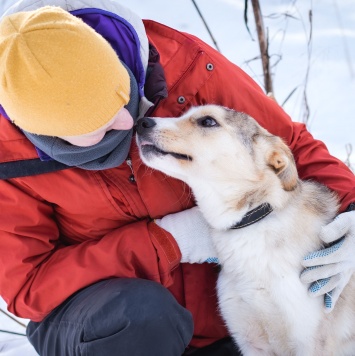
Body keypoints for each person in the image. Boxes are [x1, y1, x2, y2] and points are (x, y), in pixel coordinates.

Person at [0, 1, 354, 355]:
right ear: (48, 132)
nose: (130, 122)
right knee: (139, 314)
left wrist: (352, 210)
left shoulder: (182, 65)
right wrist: (169, 240)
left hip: (220, 314)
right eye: (102, 122)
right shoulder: (10, 158)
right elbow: (27, 287)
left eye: (123, 96)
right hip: (112, 324)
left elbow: (285, 145)